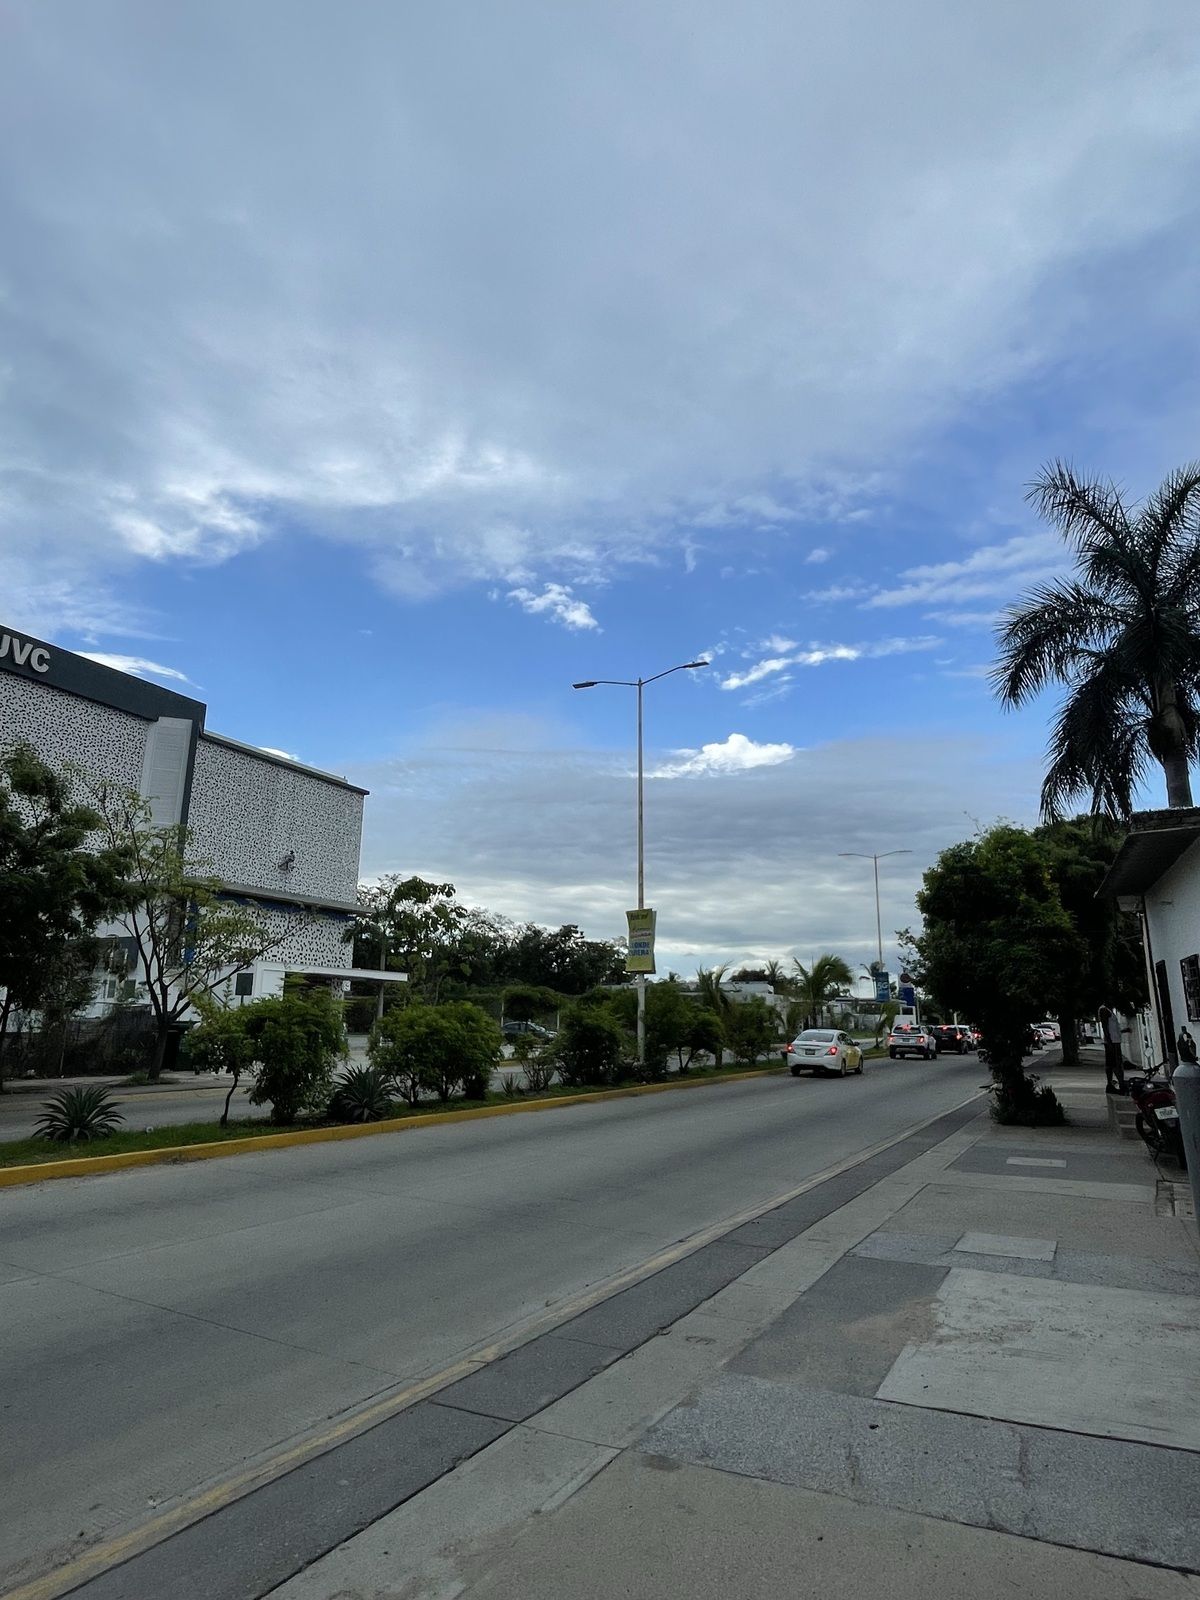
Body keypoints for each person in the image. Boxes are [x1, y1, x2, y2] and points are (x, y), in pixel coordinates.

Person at [1098, 1004, 1125, 1093]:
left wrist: (1124, 1031)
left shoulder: (1109, 1010)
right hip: (1112, 1042)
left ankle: (1111, 1085)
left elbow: (1112, 1028)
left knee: (1112, 1064)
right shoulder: (1104, 1010)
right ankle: (1121, 1085)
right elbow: (1105, 1026)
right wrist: (1109, 1041)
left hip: (1114, 1041)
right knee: (1115, 1064)